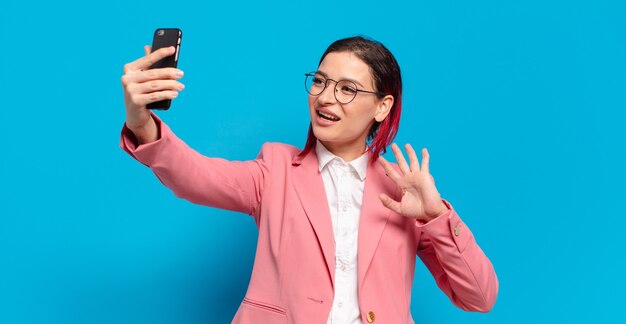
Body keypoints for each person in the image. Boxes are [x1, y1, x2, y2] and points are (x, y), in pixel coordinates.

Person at [119, 36, 498, 324]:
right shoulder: (275, 170)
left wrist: (435, 216)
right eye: (320, 82)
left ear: (382, 107)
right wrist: (142, 125)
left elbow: (479, 296)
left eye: (347, 89)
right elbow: (194, 177)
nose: (325, 97)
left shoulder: (403, 191)